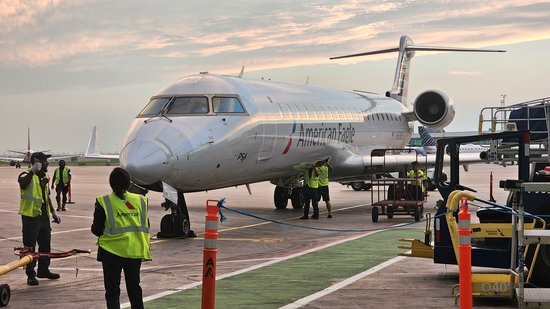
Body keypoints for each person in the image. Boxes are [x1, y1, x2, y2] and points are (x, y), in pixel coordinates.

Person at [91, 167, 151, 309]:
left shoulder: (103, 202)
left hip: (111, 252)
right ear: (129, 183)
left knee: (112, 291)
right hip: (134, 250)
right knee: (134, 288)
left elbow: (96, 230)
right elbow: (146, 224)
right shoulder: (141, 200)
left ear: (111, 184)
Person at [18, 152, 61, 286]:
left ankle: (43, 270)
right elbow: (23, 184)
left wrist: (53, 212)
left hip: (43, 217)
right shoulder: (25, 174)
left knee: (45, 244)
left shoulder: (45, 177)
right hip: (30, 216)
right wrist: (32, 171)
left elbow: (46, 196)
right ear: (37, 162)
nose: (47, 163)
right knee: (29, 247)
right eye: (44, 161)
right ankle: (31, 274)